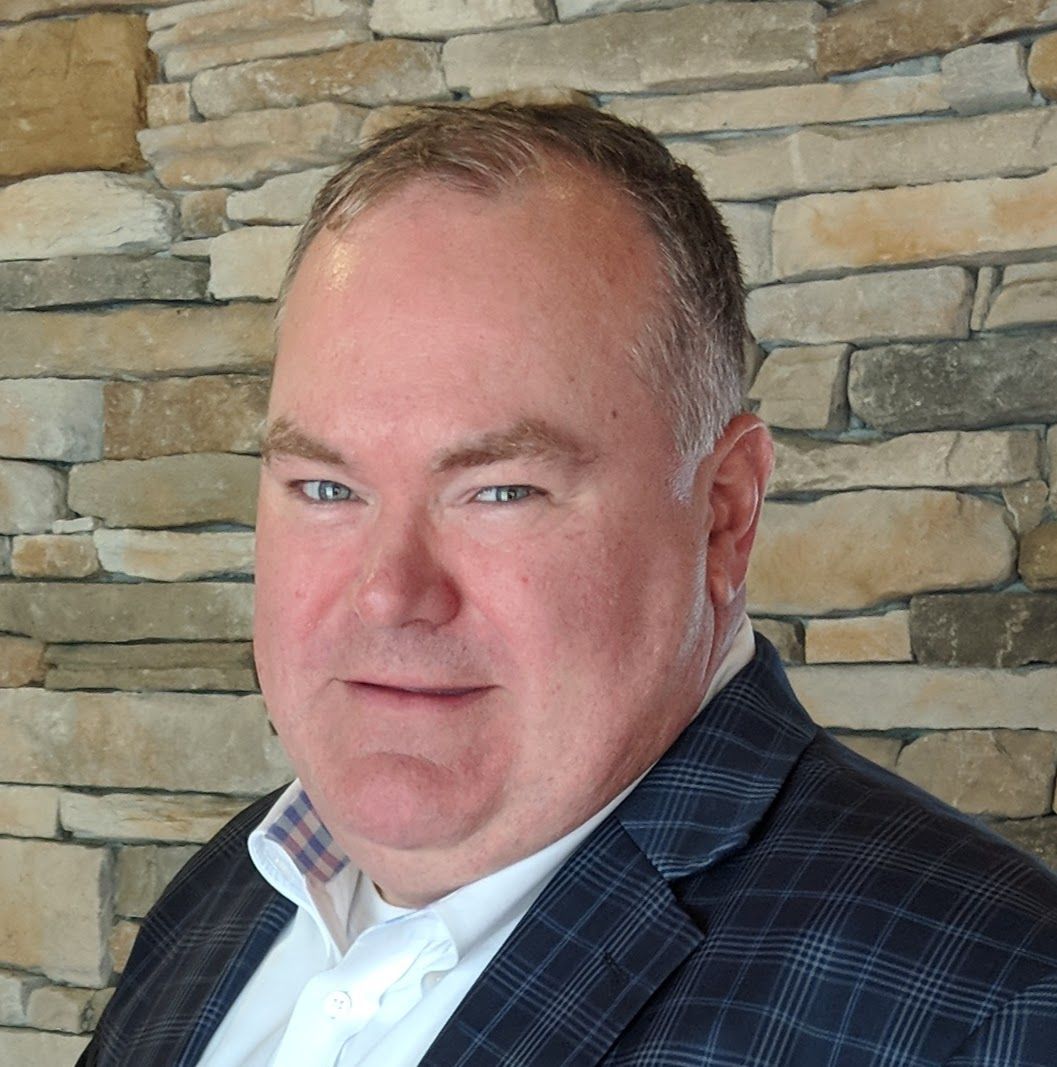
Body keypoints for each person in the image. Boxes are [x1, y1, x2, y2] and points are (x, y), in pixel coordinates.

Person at [79, 104, 1057, 1066]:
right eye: (326, 486)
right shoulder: (226, 892)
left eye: (500, 489)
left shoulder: (994, 1010)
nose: (388, 593)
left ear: (723, 513)